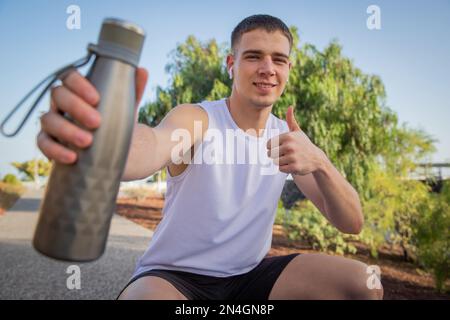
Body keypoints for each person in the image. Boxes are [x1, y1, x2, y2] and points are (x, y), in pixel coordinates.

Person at [37, 14, 383, 300]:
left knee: (364, 284)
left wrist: (320, 161)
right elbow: (150, 146)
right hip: (174, 279)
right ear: (231, 65)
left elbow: (351, 223)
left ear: (288, 69)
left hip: (250, 278)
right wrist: (105, 138)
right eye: (253, 56)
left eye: (278, 59)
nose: (267, 68)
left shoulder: (288, 139)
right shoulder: (198, 120)